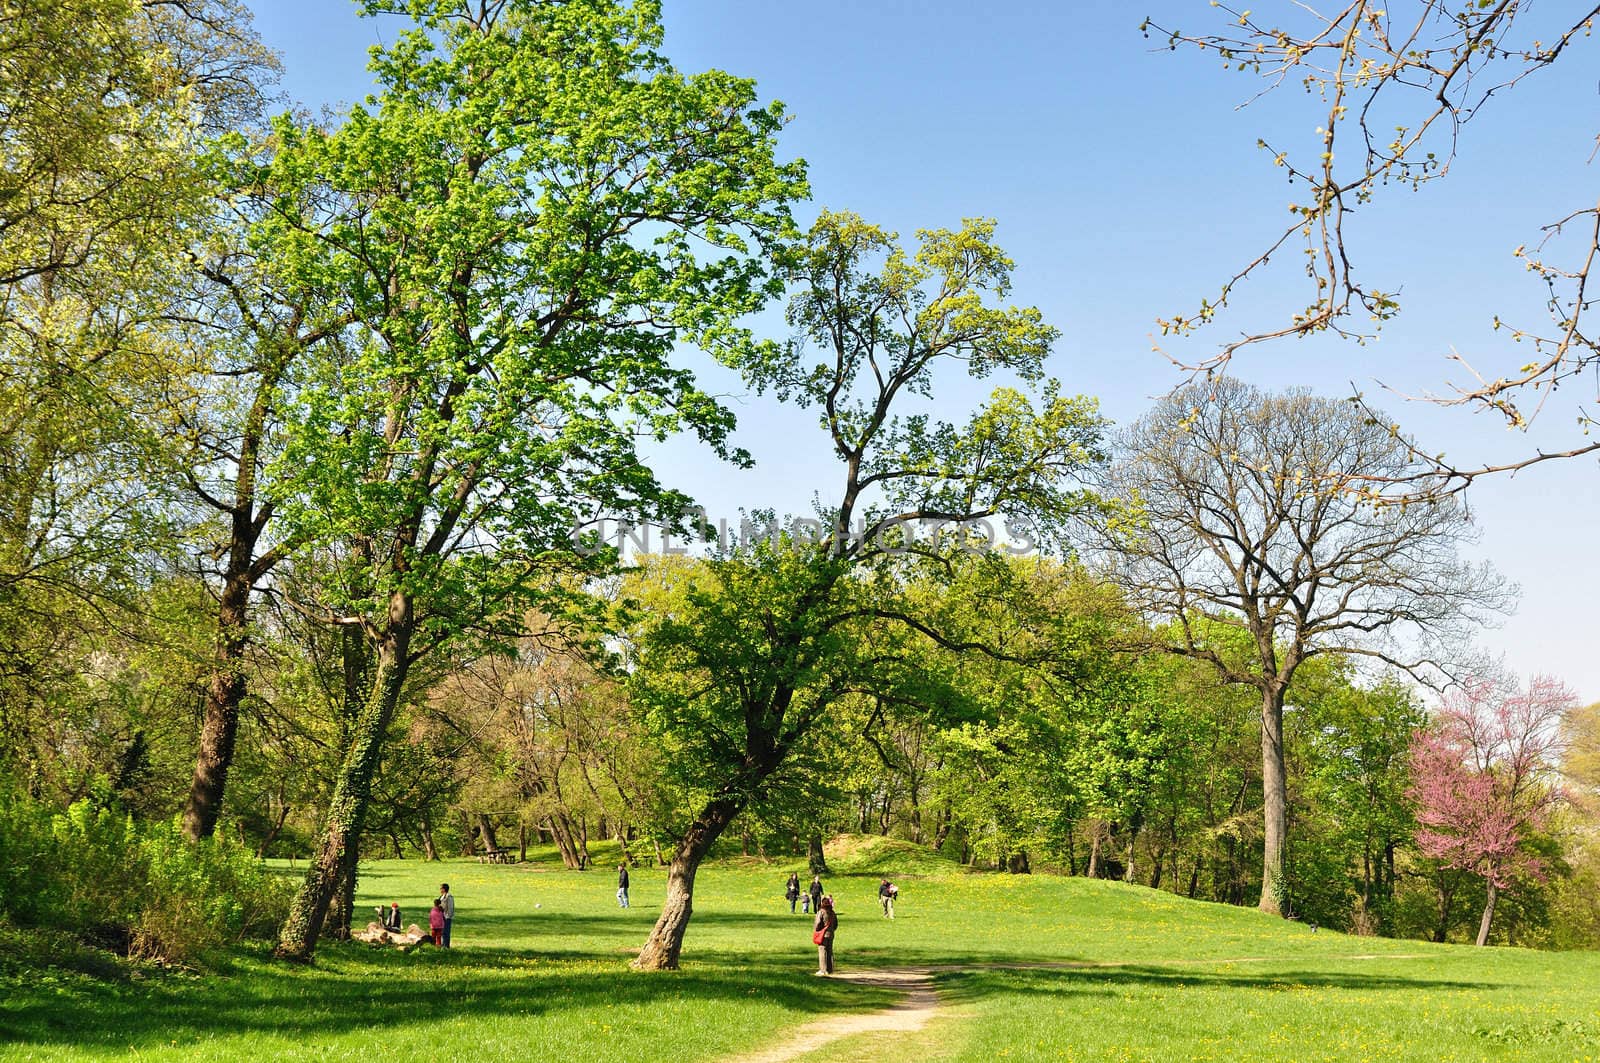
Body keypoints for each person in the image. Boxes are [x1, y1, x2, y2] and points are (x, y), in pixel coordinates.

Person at [813, 895, 838, 976]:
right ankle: (830, 969)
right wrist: (831, 930)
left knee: (822, 951)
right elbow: (836, 925)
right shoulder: (833, 912)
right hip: (831, 934)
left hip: (823, 935)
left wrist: (817, 930)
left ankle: (823, 970)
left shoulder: (821, 912)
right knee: (830, 951)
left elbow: (817, 924)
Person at [437, 883, 454, 948]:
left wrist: (448, 916)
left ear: (444, 889)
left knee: (446, 932)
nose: (440, 890)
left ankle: (446, 946)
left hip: (446, 917)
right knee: (442, 932)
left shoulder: (449, 896)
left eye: (441, 888)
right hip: (441, 917)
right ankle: (442, 945)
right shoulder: (441, 896)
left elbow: (450, 907)